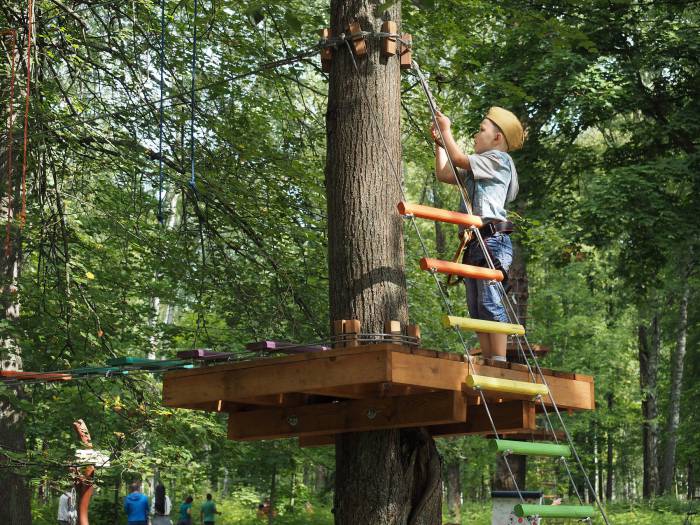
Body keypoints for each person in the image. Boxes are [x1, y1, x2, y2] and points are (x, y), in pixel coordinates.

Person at [432, 106, 524, 361]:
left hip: (492, 239)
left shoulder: (499, 160)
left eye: (481, 130)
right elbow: (444, 173)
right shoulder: (478, 167)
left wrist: (447, 130)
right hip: (475, 242)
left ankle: (499, 359)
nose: (475, 134)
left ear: (497, 138)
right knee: (476, 305)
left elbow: (460, 159)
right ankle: (489, 356)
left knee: (489, 298)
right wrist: (440, 142)